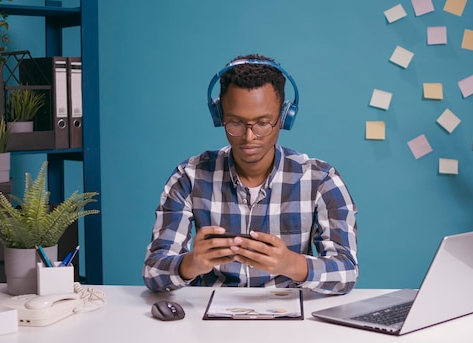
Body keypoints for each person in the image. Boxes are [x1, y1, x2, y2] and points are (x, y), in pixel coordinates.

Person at [143, 54, 358, 295]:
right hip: (207, 321)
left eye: (263, 123)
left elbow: (346, 272)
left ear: (284, 118)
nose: (248, 137)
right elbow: (153, 271)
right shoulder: (189, 177)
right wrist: (191, 264)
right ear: (220, 117)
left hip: (290, 320)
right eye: (235, 122)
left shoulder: (321, 180)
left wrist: (292, 264)